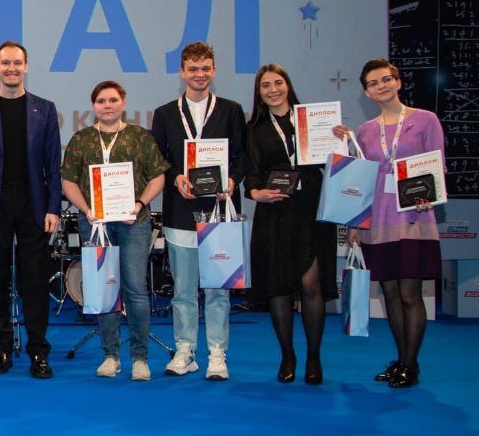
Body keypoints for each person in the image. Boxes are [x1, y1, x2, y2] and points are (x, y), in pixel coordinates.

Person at [334, 59, 444, 389]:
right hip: (378, 218)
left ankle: (411, 364)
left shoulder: (425, 120)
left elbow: (437, 163)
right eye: (373, 83)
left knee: (410, 292)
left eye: (386, 79)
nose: (381, 86)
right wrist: (355, 223)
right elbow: (361, 180)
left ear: (398, 82)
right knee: (390, 293)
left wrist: (431, 195)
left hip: (412, 215)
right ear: (367, 93)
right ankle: (401, 360)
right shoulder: (366, 131)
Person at [0, 41, 62, 378]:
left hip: (34, 203)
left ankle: (38, 351)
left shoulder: (45, 109)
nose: (11, 68)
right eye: (5, 63)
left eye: (17, 63)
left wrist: (53, 207)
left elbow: (53, 164)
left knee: (35, 281)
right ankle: (2, 347)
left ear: (26, 66)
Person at [150, 42, 246, 381]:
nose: (199, 75)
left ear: (214, 71)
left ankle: (217, 354)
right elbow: (158, 159)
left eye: (205, 68)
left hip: (220, 210)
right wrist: (175, 176)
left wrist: (232, 180)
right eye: (193, 69)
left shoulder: (231, 110)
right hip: (181, 212)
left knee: (219, 288)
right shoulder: (165, 113)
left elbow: (243, 157)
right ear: (182, 72)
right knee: (183, 290)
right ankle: (185, 351)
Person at [60, 81, 168, 380]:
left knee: (135, 288)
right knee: (104, 288)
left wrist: (139, 203)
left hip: (134, 222)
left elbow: (157, 177)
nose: (107, 106)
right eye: (101, 101)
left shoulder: (139, 137)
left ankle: (140, 358)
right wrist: (86, 209)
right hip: (95, 224)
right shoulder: (81, 139)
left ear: (123, 102)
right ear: (93, 106)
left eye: (112, 100)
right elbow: (68, 181)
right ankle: (110, 355)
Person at [243, 64, 338, 385]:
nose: (273, 90)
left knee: (311, 284)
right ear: (259, 93)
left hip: (311, 208)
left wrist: (339, 139)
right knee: (278, 287)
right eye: (265, 85)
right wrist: (256, 193)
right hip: (275, 212)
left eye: (278, 83)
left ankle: (314, 356)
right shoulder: (254, 128)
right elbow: (252, 174)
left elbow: (334, 160)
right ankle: (287, 355)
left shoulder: (311, 119)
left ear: (288, 85)